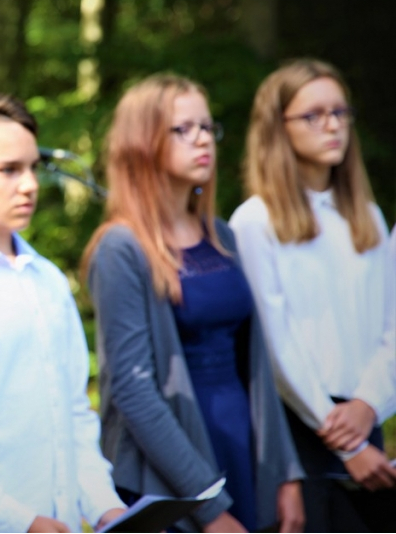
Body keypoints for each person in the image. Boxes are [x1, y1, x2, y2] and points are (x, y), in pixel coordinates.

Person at [82, 75, 305, 532]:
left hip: (243, 439)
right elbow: (132, 391)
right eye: (182, 129)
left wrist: (286, 473)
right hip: (177, 463)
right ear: (142, 142)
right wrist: (208, 506)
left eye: (207, 127)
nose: (203, 138)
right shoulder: (121, 248)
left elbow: (258, 364)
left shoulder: (221, 235)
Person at [0, 92, 127, 533]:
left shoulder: (50, 281)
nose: (31, 184)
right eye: (8, 170)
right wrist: (19, 522)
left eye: (33, 167)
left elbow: (74, 409)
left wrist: (105, 508)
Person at [228, 59, 396, 531]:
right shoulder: (256, 222)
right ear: (276, 128)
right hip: (298, 431)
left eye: (341, 113)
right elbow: (276, 345)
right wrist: (347, 441)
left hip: (366, 417)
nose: (333, 126)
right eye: (314, 115)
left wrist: (368, 408)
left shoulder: (367, 217)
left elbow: (392, 327)